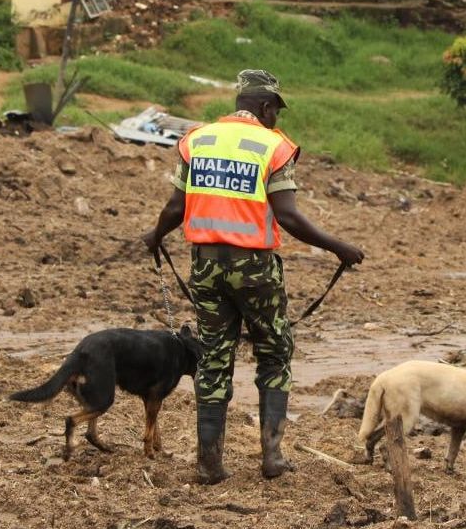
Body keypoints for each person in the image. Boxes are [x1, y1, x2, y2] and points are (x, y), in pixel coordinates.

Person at [143, 70, 365, 484]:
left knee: (212, 358)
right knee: (275, 353)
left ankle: (209, 463)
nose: (276, 119)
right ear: (264, 108)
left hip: (206, 266)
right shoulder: (272, 146)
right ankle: (272, 458)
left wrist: (155, 237)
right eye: (275, 112)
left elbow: (175, 209)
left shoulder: (199, 139)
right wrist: (339, 247)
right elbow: (288, 216)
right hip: (255, 269)